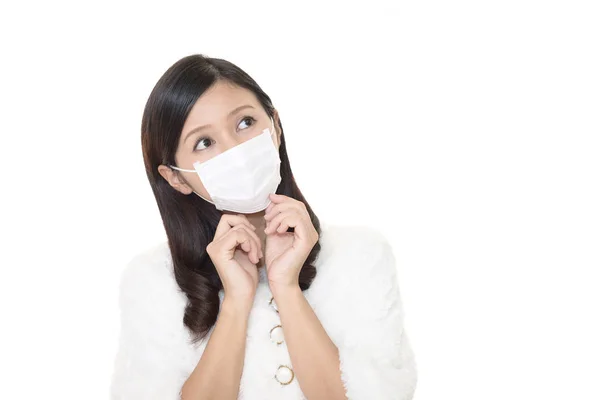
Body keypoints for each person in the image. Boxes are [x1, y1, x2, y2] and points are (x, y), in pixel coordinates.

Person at [110, 54, 418, 400]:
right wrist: (236, 303)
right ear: (176, 177)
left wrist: (285, 288)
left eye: (245, 122)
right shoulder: (152, 281)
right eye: (204, 142)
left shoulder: (362, 255)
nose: (236, 149)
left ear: (275, 124)